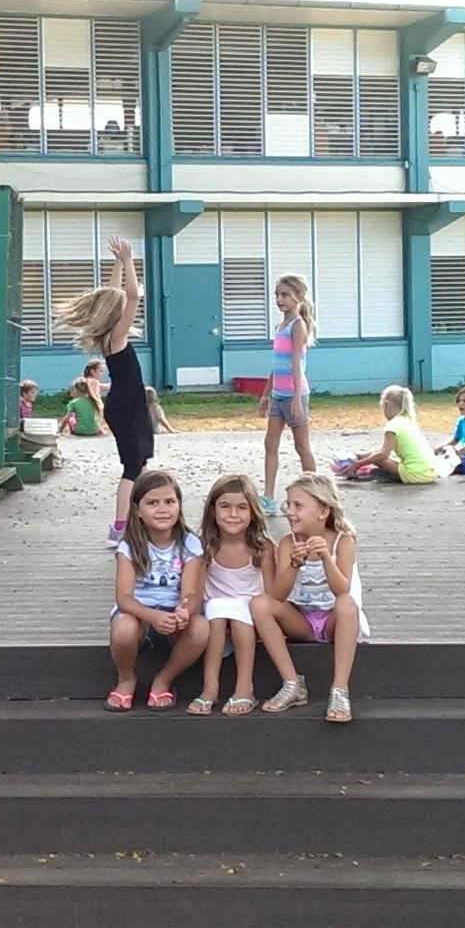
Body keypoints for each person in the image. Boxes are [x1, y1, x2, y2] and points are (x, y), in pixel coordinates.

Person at [57, 235, 154, 544]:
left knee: (138, 464)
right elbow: (133, 297)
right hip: (126, 405)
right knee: (131, 468)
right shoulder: (116, 337)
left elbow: (116, 296)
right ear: (116, 313)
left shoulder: (109, 335)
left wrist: (116, 264)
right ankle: (120, 528)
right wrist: (128, 261)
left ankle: (130, 521)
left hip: (128, 403)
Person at [252, 473, 367, 723]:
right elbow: (278, 595)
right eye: (288, 504)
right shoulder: (287, 543)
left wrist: (326, 558)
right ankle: (292, 683)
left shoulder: (342, 542)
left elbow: (342, 590)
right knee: (260, 604)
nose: (289, 512)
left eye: (297, 506)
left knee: (348, 603)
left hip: (334, 622)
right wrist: (294, 564)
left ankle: (339, 689)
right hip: (301, 621)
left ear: (323, 511)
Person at [177, 473, 292, 717]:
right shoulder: (205, 546)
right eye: (225, 507)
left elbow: (271, 595)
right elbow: (196, 593)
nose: (233, 515)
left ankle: (245, 687)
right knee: (218, 607)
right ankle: (210, 687)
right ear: (213, 510)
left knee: (236, 609)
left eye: (242, 508)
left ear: (253, 512)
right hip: (216, 623)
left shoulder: (262, 548)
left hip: (250, 622)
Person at [104, 471, 207, 712]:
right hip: (138, 612)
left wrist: (184, 610)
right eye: (152, 503)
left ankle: (163, 680)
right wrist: (152, 616)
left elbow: (192, 593)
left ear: (179, 506)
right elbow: (124, 598)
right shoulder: (129, 545)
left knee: (201, 627)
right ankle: (126, 679)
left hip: (173, 613)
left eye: (170, 502)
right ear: (137, 510)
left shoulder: (190, 543)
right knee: (124, 628)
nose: (162, 509)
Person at [261, 275, 319, 514]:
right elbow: (277, 364)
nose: (279, 300)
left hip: (295, 396)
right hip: (278, 395)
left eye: (284, 295)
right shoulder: (280, 327)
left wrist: (296, 397)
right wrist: (266, 395)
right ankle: (268, 497)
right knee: (270, 443)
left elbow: (296, 363)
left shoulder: (298, 326)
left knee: (301, 446)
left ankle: (317, 493)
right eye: (277, 295)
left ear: (298, 297)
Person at [339, 385, 439, 485]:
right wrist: (361, 456)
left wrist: (358, 464)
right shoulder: (408, 420)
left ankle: (390, 475)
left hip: (416, 474)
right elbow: (381, 452)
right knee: (375, 456)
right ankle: (391, 473)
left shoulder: (393, 425)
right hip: (431, 472)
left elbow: (383, 454)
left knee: (379, 458)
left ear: (386, 405)